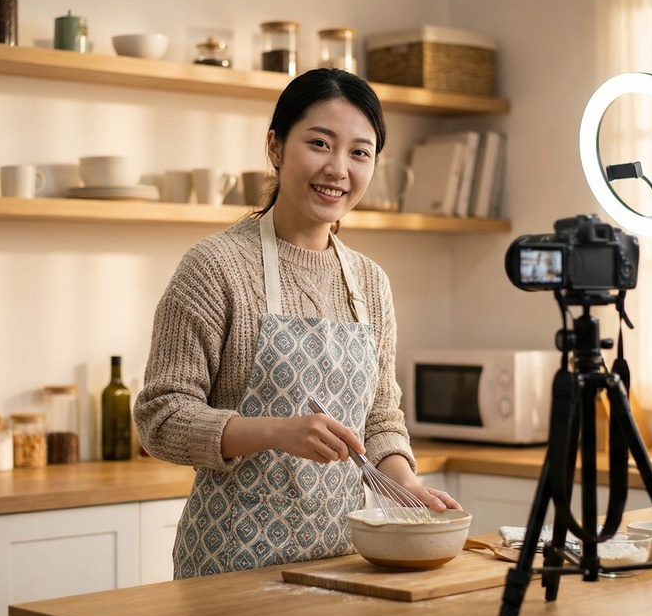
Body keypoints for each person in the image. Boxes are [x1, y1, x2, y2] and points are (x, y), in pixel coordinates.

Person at [135, 68, 461, 579]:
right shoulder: (214, 267)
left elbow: (379, 419)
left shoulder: (370, 283)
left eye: (359, 152)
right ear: (276, 147)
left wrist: (405, 489)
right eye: (319, 143)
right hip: (229, 567)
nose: (338, 168)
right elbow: (160, 418)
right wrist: (273, 431)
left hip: (346, 564)